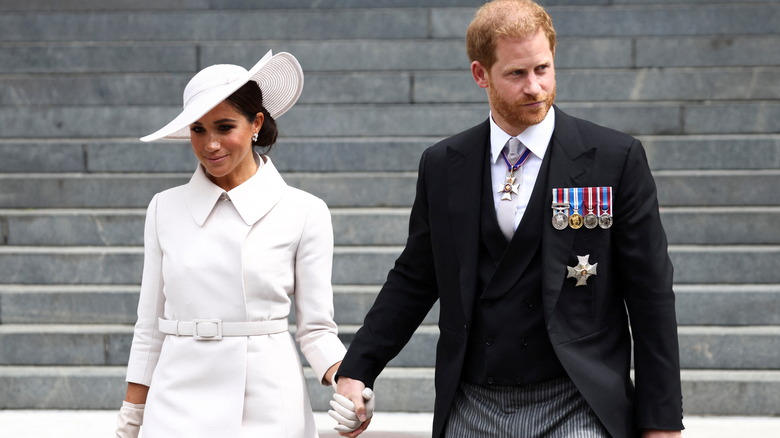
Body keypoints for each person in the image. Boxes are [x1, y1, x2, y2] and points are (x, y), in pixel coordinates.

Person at [332, 1, 684, 437]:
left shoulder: (614, 158)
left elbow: (651, 295)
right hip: (472, 400)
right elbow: (415, 277)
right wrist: (357, 370)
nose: (535, 87)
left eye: (543, 68)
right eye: (517, 74)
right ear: (481, 74)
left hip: (577, 400)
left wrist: (662, 423)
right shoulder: (444, 164)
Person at [114, 50, 347, 438]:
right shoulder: (164, 208)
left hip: (267, 399)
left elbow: (317, 330)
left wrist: (349, 383)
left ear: (256, 123)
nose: (210, 145)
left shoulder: (305, 211)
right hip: (175, 397)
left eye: (224, 127)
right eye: (198, 129)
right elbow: (150, 326)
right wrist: (133, 411)